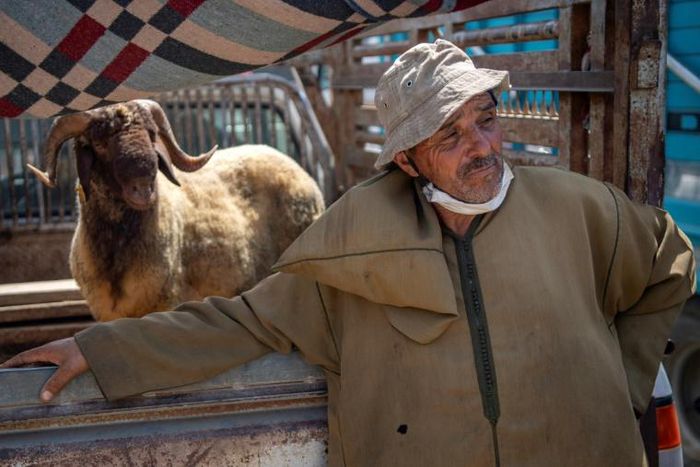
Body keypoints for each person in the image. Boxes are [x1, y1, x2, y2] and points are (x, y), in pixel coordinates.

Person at [2, 39, 696, 466]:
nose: (483, 146)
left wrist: (623, 380)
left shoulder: (578, 210)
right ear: (406, 157)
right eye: (450, 135)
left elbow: (671, 263)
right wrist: (101, 348)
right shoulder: (354, 255)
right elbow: (238, 322)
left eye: (485, 119)